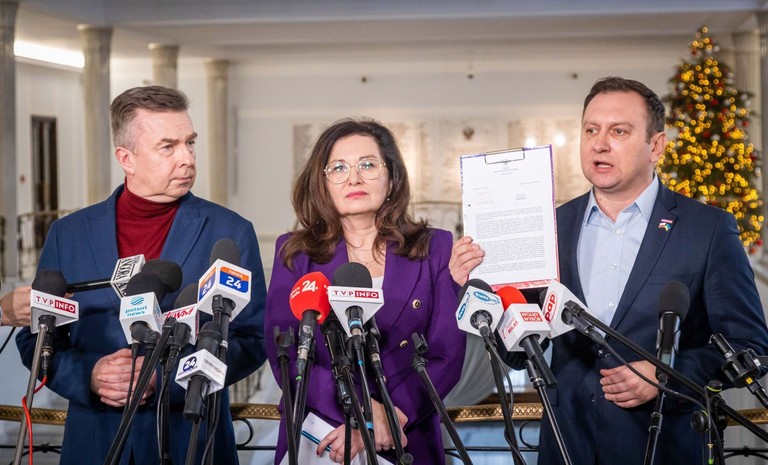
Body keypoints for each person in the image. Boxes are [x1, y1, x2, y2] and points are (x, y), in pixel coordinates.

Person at [450, 76, 768, 464]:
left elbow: (749, 346)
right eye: (591, 130)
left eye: (619, 131)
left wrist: (664, 374)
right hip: (568, 448)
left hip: (664, 448)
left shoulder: (708, 229)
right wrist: (476, 287)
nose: (599, 143)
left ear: (656, 146)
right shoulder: (550, 227)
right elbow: (517, 355)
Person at [15, 85, 267, 465]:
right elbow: (36, 338)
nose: (186, 159)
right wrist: (91, 375)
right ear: (126, 158)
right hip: (95, 441)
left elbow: (251, 339)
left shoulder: (229, 232)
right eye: (168, 147)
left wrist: (163, 378)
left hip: (191, 439)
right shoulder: (68, 235)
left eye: (190, 143)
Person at [265, 118, 465, 464]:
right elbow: (284, 354)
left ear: (392, 177)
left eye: (368, 165)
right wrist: (362, 412)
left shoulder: (435, 247)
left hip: (406, 432)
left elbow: (446, 354)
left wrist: (391, 415)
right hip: (323, 433)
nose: (353, 178)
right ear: (322, 183)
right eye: (338, 168)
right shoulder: (296, 253)